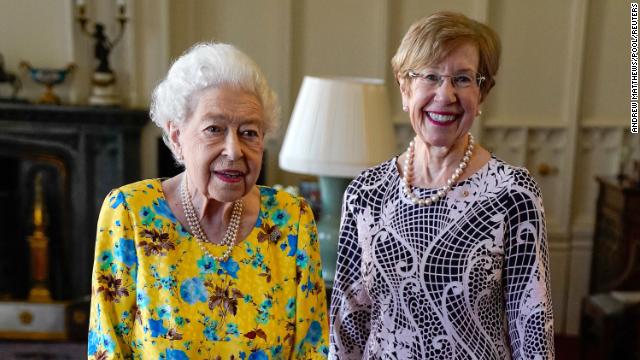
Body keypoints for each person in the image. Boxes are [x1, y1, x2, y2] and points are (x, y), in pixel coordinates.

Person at [329, 12, 554, 359]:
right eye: (430, 77)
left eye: (462, 79)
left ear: (482, 93)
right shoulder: (366, 192)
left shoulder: (513, 193)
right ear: (405, 89)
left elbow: (533, 329)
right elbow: (348, 325)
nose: (445, 94)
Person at [88, 42, 329, 359]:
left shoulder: (290, 220)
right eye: (214, 129)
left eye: (249, 132)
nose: (234, 150)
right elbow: (107, 348)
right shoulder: (131, 213)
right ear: (176, 137)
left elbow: (312, 351)